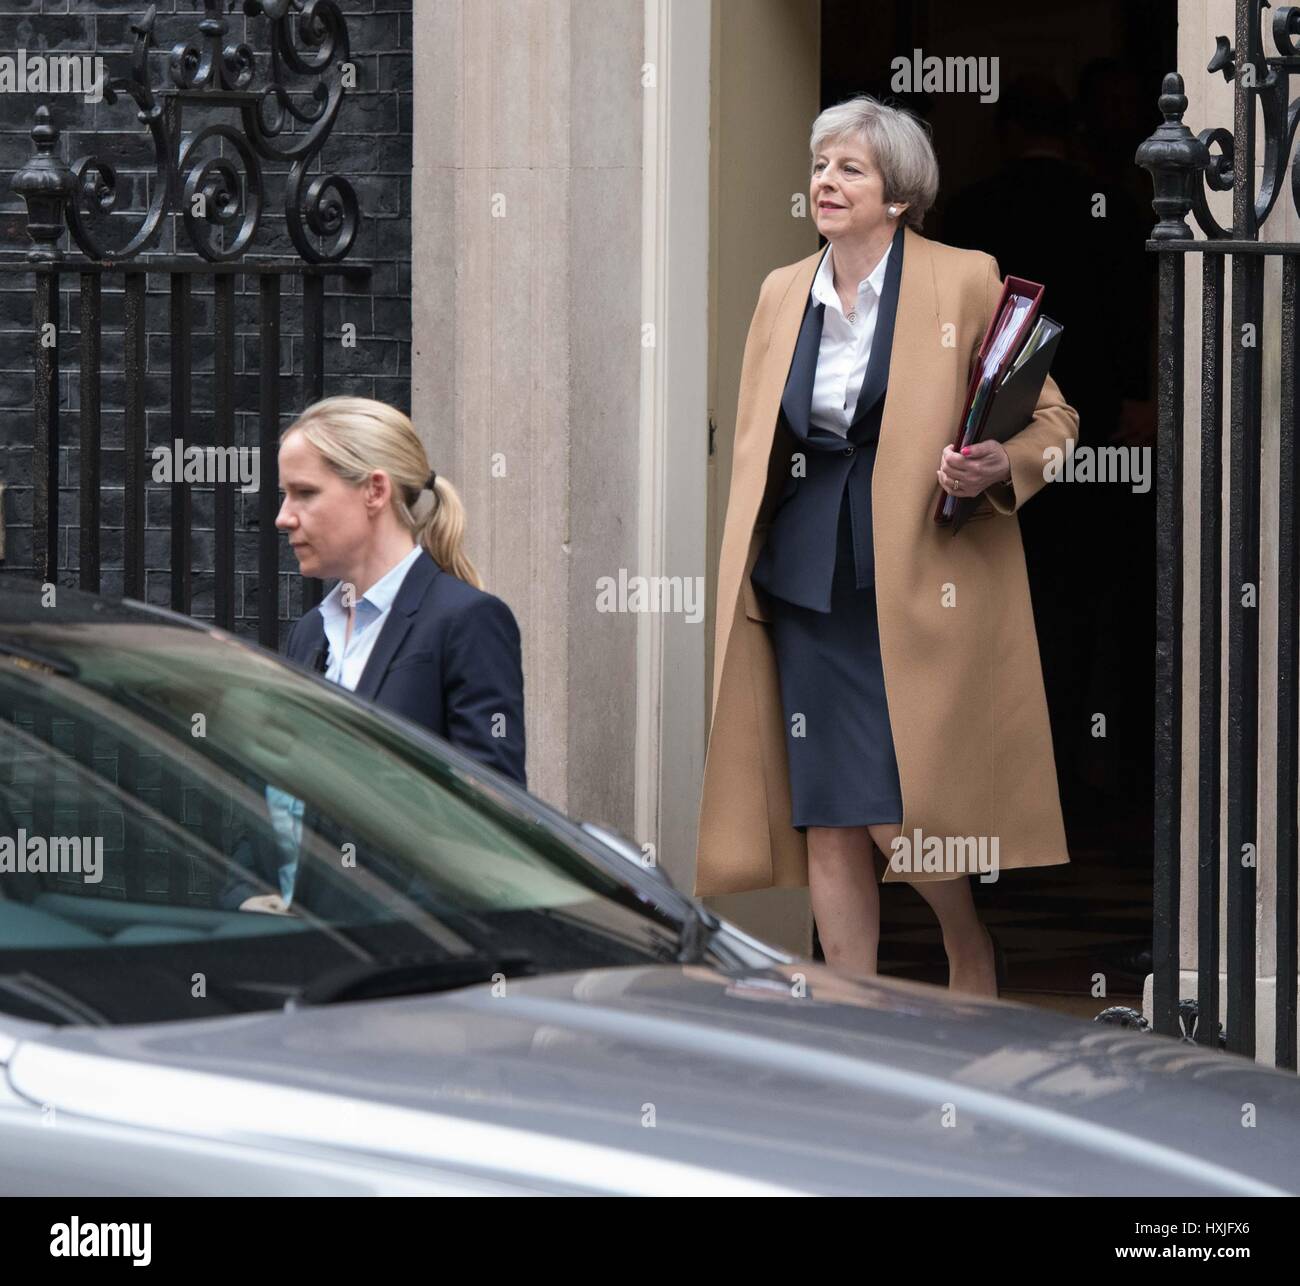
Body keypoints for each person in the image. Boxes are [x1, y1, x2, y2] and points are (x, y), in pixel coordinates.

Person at [694, 95, 1080, 997]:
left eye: (849, 170)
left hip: (916, 574)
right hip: (803, 574)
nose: (826, 182)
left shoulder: (963, 279)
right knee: (830, 810)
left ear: (898, 196)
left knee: (900, 811)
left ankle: (966, 938)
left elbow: (1057, 417)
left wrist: (997, 465)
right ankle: (851, 1011)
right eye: (822, 166)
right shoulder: (782, 291)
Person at [223, 395, 526, 915]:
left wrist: (391, 930)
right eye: (284, 494)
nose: (282, 517)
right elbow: (277, 795)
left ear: (375, 491)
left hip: (397, 957)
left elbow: (489, 815)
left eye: (304, 493)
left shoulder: (466, 621)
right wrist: (247, 892)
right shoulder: (309, 634)